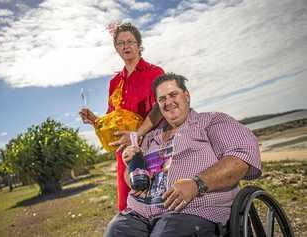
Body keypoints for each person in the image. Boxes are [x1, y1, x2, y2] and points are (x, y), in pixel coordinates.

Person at [104, 73, 262, 237]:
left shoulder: (211, 121)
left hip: (191, 211)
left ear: (186, 96)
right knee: (115, 231)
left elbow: (242, 158)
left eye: (173, 94)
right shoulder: (149, 138)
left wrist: (197, 183)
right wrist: (132, 171)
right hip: (140, 215)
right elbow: (130, 176)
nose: (169, 102)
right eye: (162, 99)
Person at [79, 23, 164, 211]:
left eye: (130, 42)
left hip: (151, 149)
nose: (125, 46)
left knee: (154, 203)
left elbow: (159, 109)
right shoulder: (115, 82)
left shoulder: (155, 73)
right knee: (127, 208)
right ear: (116, 48)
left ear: (139, 45)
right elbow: (112, 119)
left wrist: (136, 134)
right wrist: (95, 120)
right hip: (123, 152)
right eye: (120, 43)